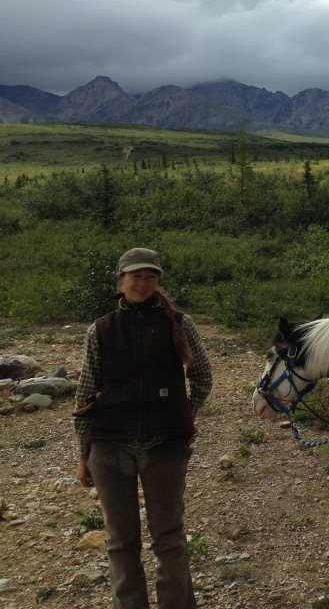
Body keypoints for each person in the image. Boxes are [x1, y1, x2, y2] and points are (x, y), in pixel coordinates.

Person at [73, 247, 213, 609]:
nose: (143, 282)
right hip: (109, 447)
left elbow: (202, 376)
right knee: (120, 541)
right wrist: (83, 455)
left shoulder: (179, 323)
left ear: (158, 280)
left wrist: (185, 417)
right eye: (135, 275)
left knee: (169, 537)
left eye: (150, 276)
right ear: (120, 280)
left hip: (164, 446)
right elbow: (85, 396)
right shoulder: (100, 329)